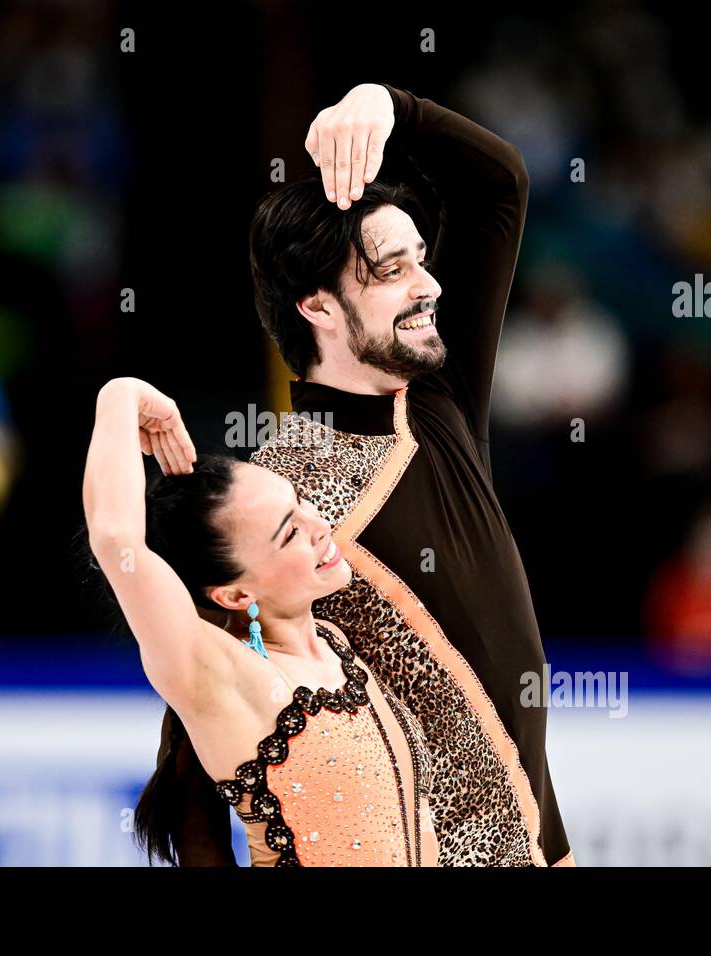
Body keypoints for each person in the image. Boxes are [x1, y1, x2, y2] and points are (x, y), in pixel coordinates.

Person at [157, 82, 575, 867]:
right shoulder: (269, 501)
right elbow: (191, 759)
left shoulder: (439, 401)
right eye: (392, 270)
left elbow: (499, 187)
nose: (430, 285)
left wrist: (391, 105)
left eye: (421, 259)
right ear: (317, 307)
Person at [82, 376, 438, 866]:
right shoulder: (227, 677)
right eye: (289, 532)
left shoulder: (336, 644)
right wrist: (120, 396)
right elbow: (116, 542)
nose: (317, 525)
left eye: (299, 502)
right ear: (235, 593)